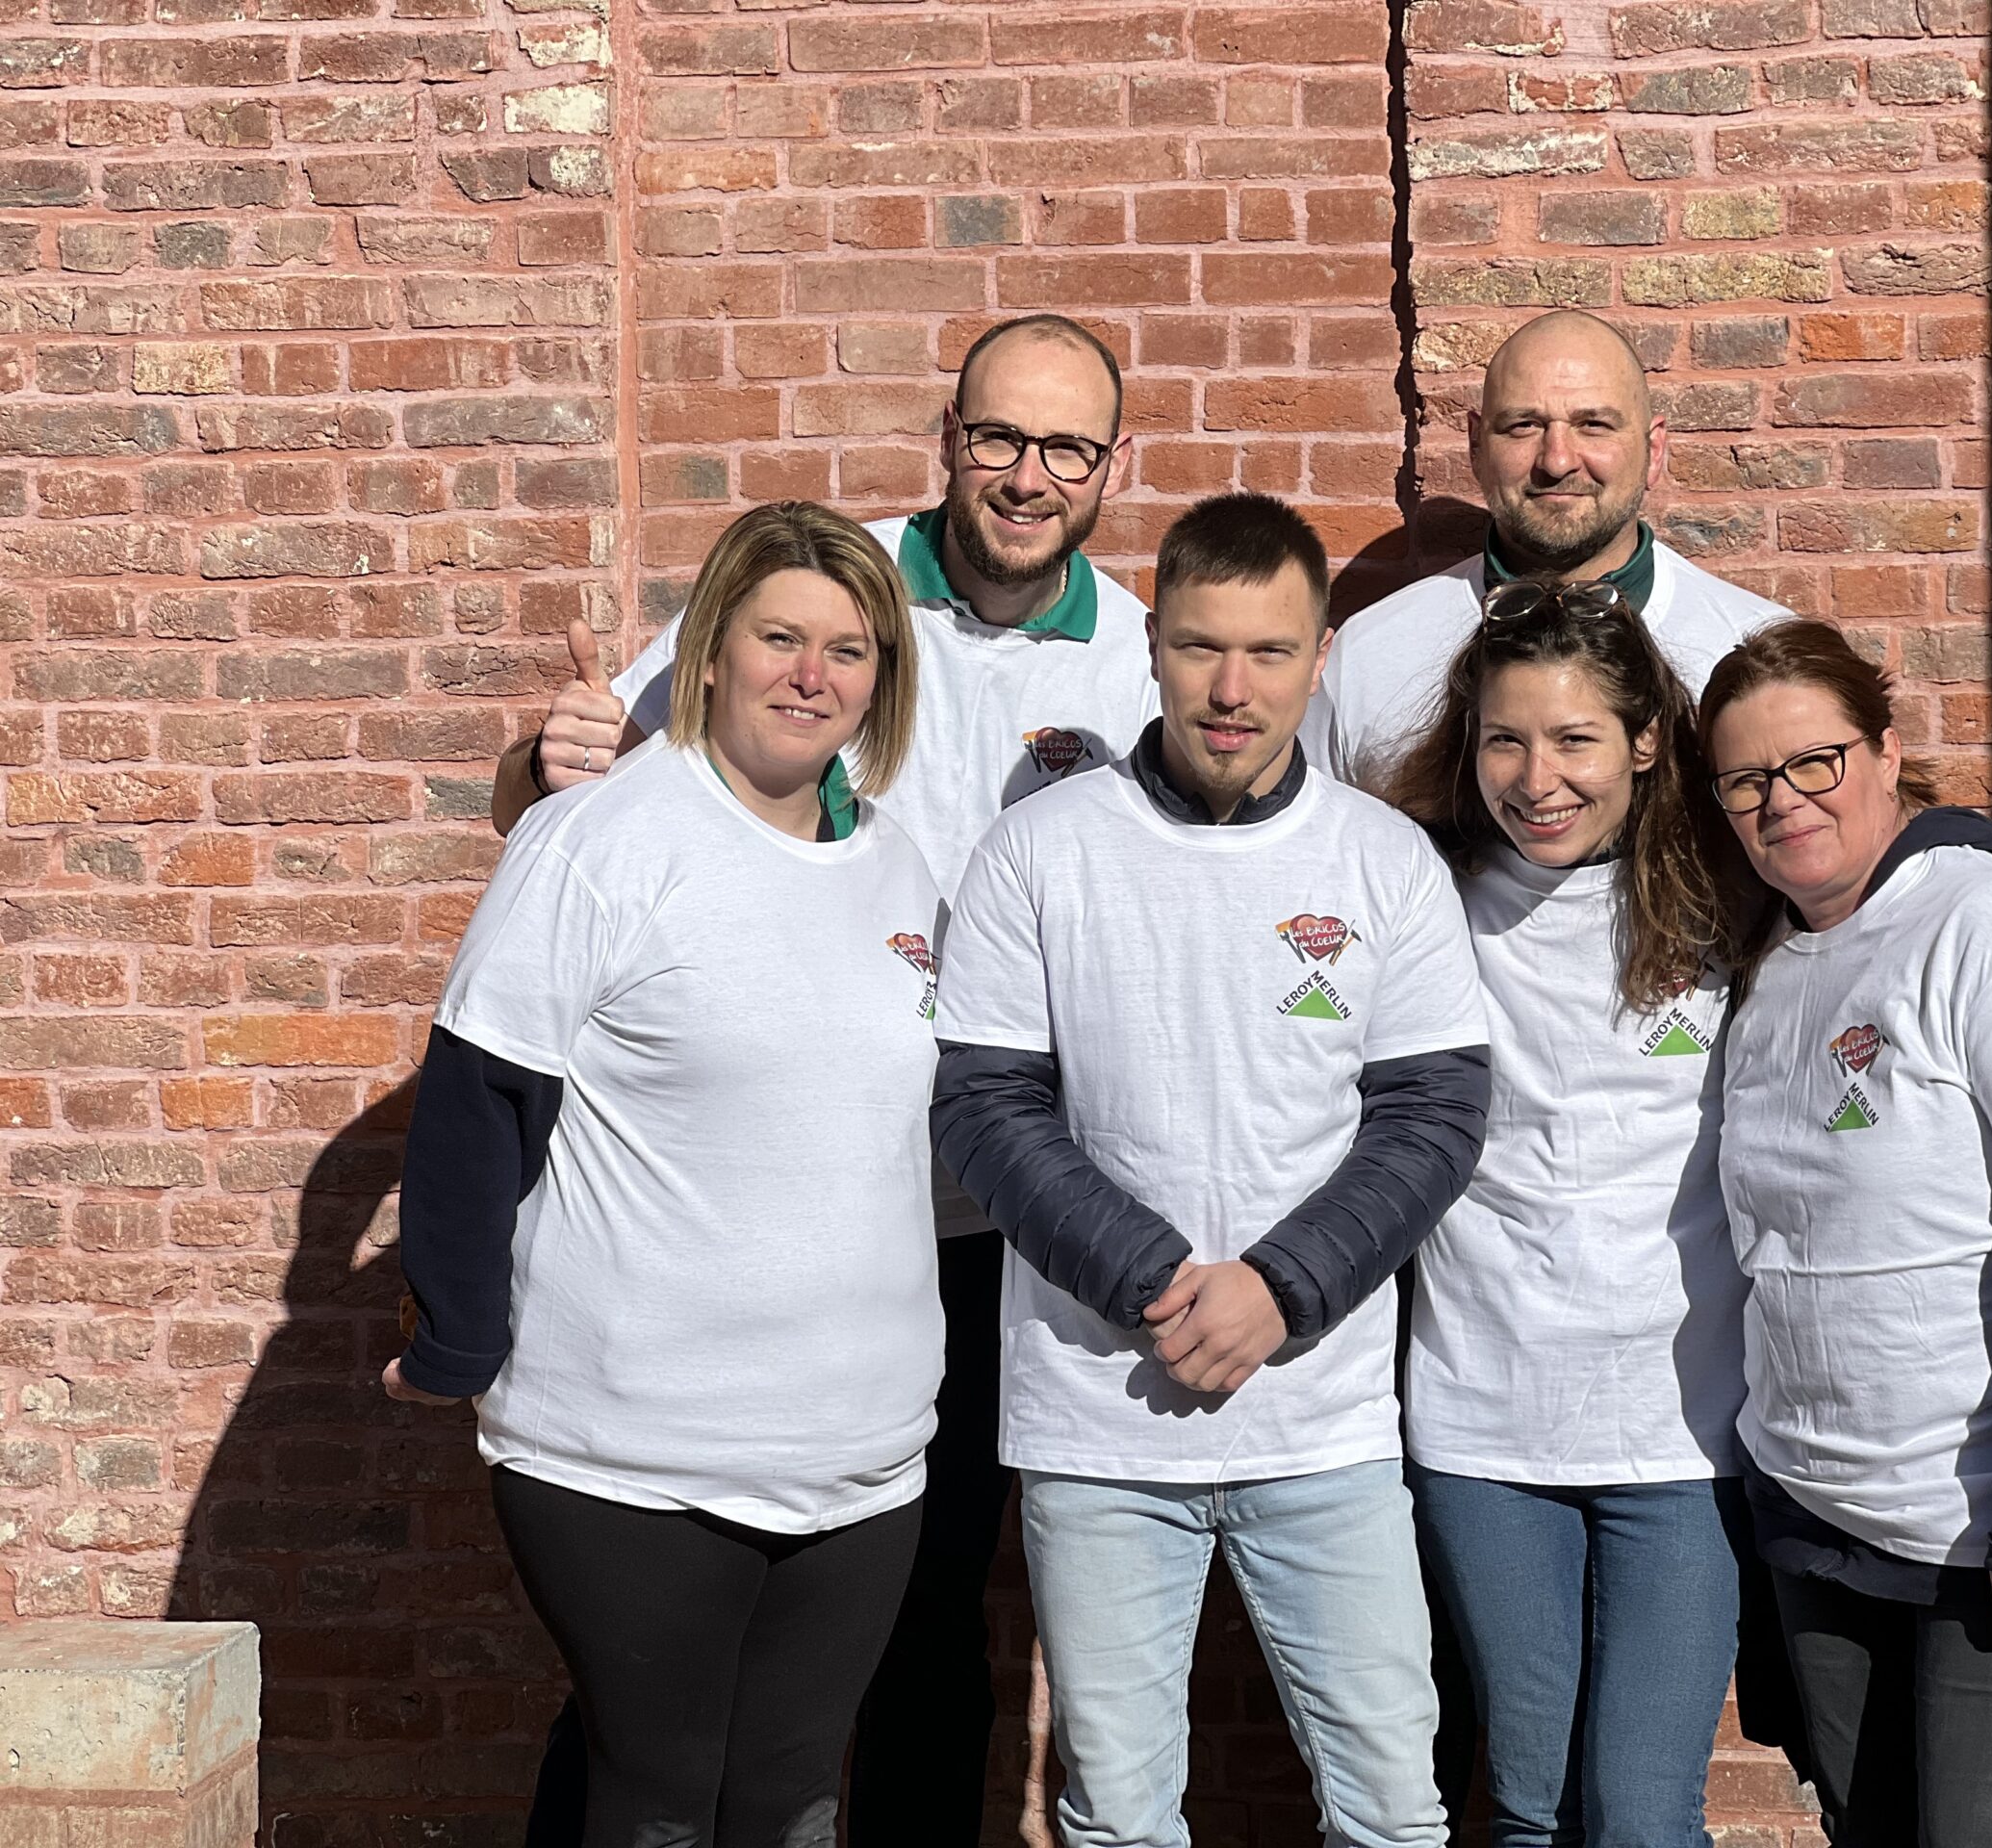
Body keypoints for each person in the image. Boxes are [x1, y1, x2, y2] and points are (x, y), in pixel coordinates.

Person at [484, 315, 1154, 1848]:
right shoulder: (828, 591)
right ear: (949, 436)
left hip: (992, 1233)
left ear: (1117, 463)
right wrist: (544, 760)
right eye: (997, 437)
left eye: (1064, 448)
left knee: (929, 1634)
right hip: (770, 1226)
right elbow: (577, 802)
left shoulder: (1133, 651)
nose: (1026, 476)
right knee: (663, 1682)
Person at [931, 493, 1492, 1848]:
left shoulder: (1385, 862)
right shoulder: (1040, 851)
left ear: (1318, 661)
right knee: (1118, 1819)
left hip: (1328, 1425)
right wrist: (1158, 1280)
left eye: (1269, 653)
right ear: (1154, 648)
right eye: (1199, 648)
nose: (1232, 691)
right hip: (1096, 1422)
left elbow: (1433, 1114)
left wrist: (1284, 1289)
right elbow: (987, 1108)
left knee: (1394, 1816)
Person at [384, 502, 945, 1848]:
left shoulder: (900, 867)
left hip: (865, 1460)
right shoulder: (601, 843)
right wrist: (458, 1334)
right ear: (707, 654)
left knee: (796, 1798)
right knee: (656, 1803)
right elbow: (478, 1101)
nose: (815, 676)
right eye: (781, 638)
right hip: (634, 1453)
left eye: (852, 650)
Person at [1699, 620, 1992, 1848]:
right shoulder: (1769, 965)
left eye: (1813, 762)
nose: (1783, 801)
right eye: (1747, 780)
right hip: (1826, 1509)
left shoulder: (1990, 926)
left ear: (1885, 751)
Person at [1379, 579, 1751, 1848]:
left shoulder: (1726, 900)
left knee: (1643, 1817)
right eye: (1505, 739)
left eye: (1576, 739)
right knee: (1531, 1810)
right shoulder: (1416, 891)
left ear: (1644, 740)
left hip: (1681, 1430)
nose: (1538, 777)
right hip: (1485, 1421)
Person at [1305, 307, 1788, 787]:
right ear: (1476, 446)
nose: (1556, 461)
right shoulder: (1369, 658)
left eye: (1594, 424)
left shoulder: (1758, 657)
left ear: (1653, 450)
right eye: (1523, 426)